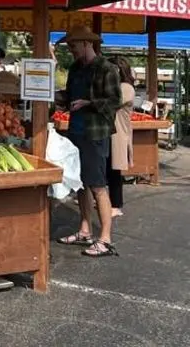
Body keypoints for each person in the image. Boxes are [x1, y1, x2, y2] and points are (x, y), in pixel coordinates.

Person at [56, 25, 121, 257]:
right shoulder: (75, 68)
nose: (71, 50)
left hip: (95, 133)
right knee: (79, 184)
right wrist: (52, 96)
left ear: (86, 43)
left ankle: (105, 238)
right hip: (76, 131)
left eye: (73, 46)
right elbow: (69, 96)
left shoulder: (107, 68)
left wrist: (88, 103)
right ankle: (84, 230)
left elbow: (115, 100)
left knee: (97, 185)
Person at [107, 56, 135, 217]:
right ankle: (108, 201)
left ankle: (116, 205)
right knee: (107, 167)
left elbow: (112, 102)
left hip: (118, 134)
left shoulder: (126, 88)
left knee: (114, 170)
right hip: (111, 132)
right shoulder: (117, 86)